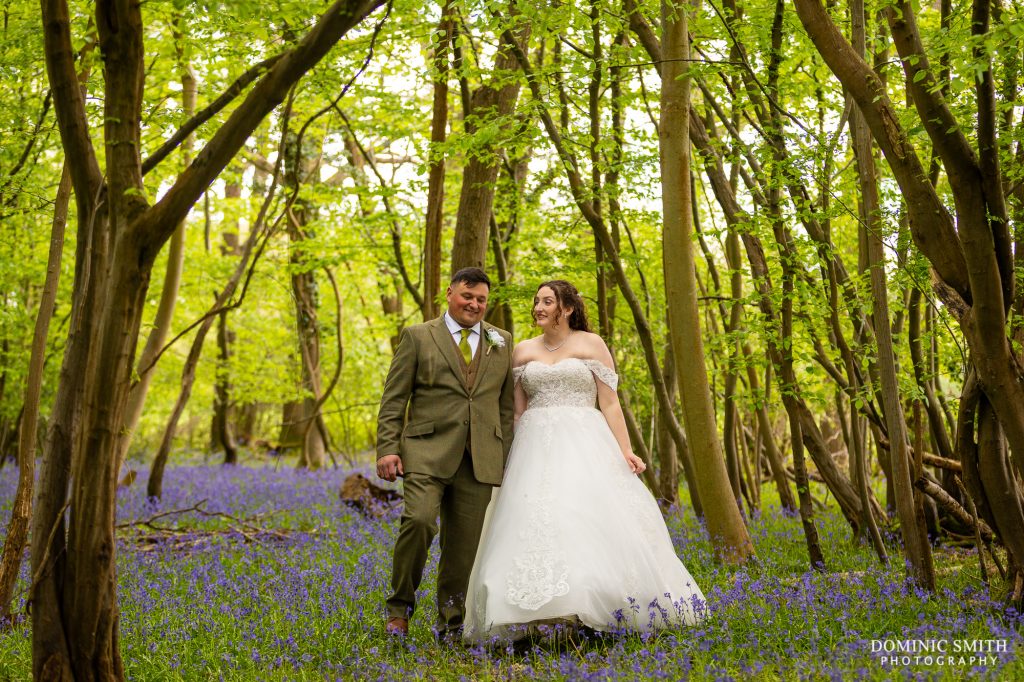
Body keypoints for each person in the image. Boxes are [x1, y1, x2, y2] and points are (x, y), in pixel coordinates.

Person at [463, 280, 706, 643]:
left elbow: (609, 402)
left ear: (568, 308)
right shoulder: (523, 350)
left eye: (547, 301)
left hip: (584, 441)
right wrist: (509, 456)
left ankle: (587, 609)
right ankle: (536, 615)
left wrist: (625, 449)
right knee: (533, 521)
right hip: (533, 445)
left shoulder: (591, 344)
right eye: (536, 302)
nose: (538, 307)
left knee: (581, 516)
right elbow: (516, 411)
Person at [376, 267, 515, 640]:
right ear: (450, 293)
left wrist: (505, 457)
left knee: (462, 548)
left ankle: (451, 626)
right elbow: (394, 399)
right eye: (467, 296)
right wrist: (388, 448)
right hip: (426, 452)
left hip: (480, 459)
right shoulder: (419, 336)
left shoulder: (501, 341)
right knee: (419, 521)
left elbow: (503, 407)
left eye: (481, 299)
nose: (474, 304)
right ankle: (398, 610)